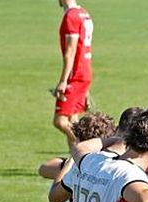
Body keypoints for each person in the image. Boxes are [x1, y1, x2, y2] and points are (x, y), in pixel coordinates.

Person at [54, 0, 93, 147]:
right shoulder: (84, 14)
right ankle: (77, 167)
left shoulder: (71, 16)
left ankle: (86, 149)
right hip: (84, 71)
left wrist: (63, 81)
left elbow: (71, 51)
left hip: (75, 75)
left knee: (60, 121)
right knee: (73, 119)